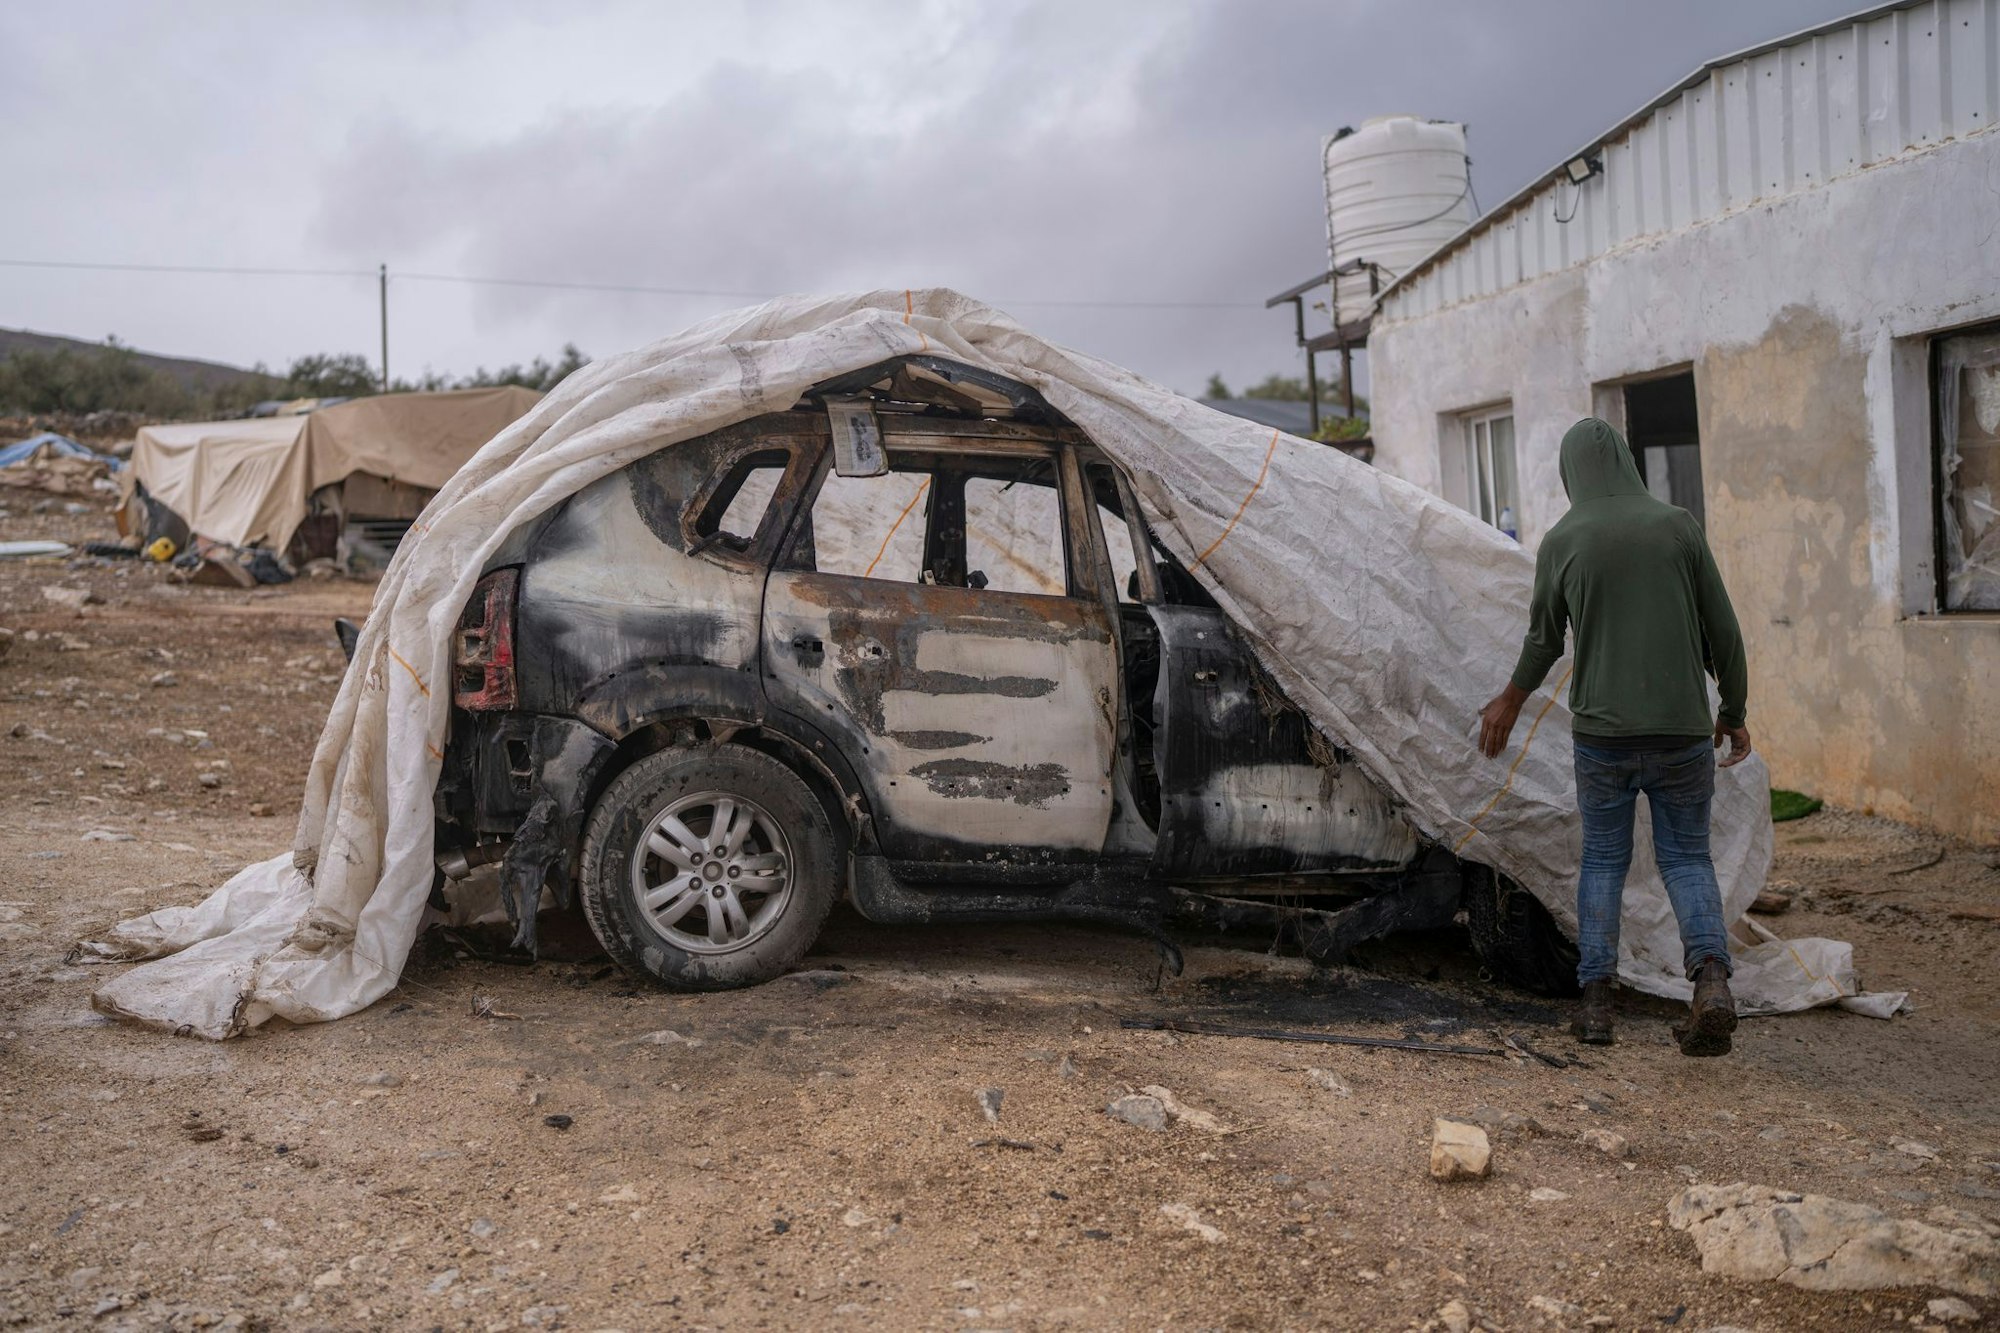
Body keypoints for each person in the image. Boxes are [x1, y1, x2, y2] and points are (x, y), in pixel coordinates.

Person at [1478, 418, 1750, 1057]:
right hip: (1683, 732)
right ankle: (1711, 981)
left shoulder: (1563, 540)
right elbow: (1725, 631)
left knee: (1603, 860)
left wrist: (1511, 700)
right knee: (1686, 859)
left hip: (1603, 738)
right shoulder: (1679, 526)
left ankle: (1596, 1005)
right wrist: (1733, 709)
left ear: (1571, 473)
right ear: (1627, 463)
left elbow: (1544, 640)